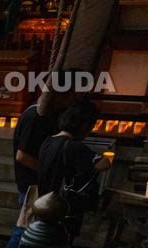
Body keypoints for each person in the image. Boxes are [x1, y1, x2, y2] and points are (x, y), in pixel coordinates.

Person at [0, 85, 76, 248]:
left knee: (28, 225)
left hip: (36, 180)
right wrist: (47, 172)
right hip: (32, 182)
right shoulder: (35, 117)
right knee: (25, 226)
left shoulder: (47, 114)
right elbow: (22, 155)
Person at [37, 101, 110, 239]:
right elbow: (103, 164)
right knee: (60, 244)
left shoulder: (48, 141)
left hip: (44, 204)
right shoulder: (74, 147)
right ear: (84, 125)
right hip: (63, 209)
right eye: (91, 126)